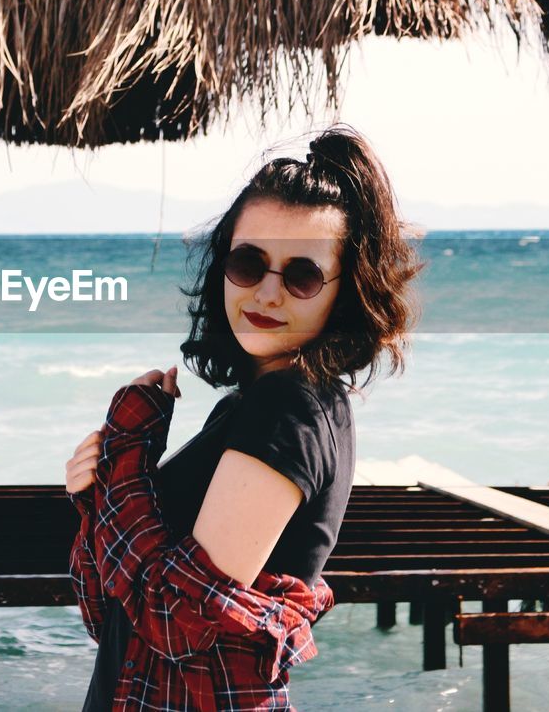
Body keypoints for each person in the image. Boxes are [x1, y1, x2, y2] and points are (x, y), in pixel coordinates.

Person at [65, 124, 422, 710]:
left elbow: (174, 618)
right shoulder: (249, 407)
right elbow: (110, 613)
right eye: (248, 263)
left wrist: (126, 461)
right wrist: (97, 493)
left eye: (302, 275)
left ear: (344, 291)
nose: (267, 293)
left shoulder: (292, 411)